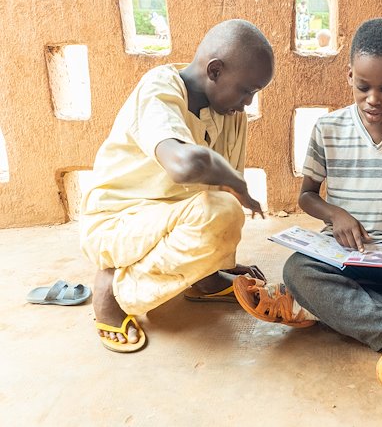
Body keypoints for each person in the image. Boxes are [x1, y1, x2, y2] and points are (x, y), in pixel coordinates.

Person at [235, 18, 382, 391]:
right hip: (339, 254)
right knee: (297, 270)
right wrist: (335, 214)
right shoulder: (329, 129)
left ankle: (321, 307)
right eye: (363, 86)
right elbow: (307, 195)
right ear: (349, 75)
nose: (373, 99)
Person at [80, 19, 303, 353]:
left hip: (171, 220)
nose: (247, 103)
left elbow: (214, 191)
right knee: (225, 210)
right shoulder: (158, 91)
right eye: (246, 91)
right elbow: (184, 166)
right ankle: (114, 290)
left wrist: (216, 262)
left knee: (224, 209)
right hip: (118, 225)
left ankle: (203, 279)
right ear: (214, 70)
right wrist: (234, 181)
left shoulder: (229, 112)